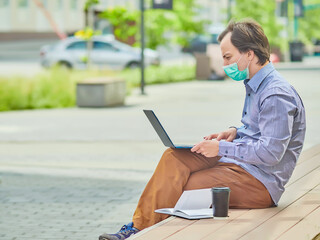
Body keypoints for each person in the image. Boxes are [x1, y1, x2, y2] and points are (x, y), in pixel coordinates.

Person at [99, 19, 306, 240]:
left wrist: (221, 148)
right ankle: (138, 228)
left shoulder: (275, 94)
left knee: (183, 186)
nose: (225, 65)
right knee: (173, 158)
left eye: (228, 57)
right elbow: (258, 130)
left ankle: (141, 233)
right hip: (242, 164)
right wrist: (235, 132)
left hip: (260, 182)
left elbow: (271, 153)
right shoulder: (256, 84)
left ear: (250, 54)